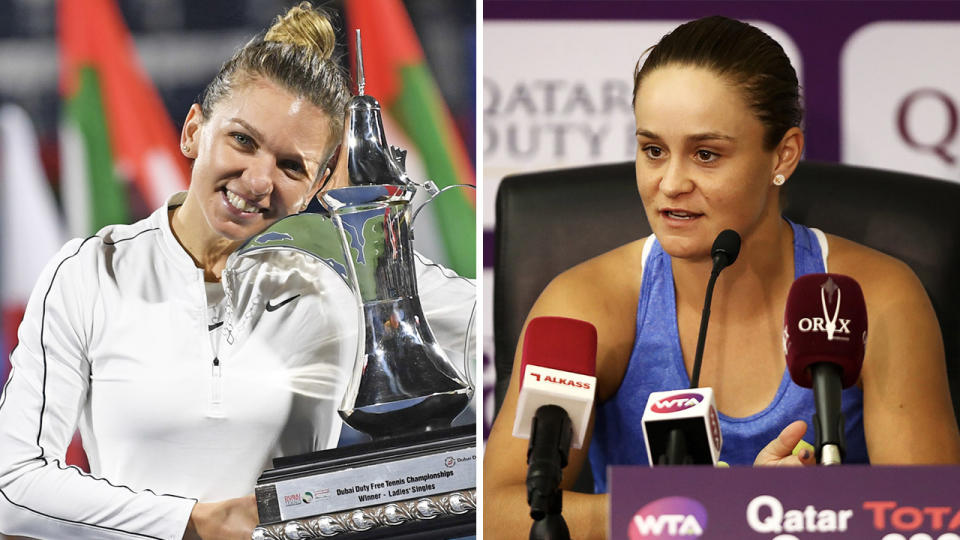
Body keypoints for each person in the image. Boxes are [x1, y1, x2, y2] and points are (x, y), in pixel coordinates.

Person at [0, 3, 475, 540]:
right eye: (242, 141)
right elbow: (11, 488)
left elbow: (506, 331)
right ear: (193, 132)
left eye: (292, 166)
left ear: (317, 190)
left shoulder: (334, 284)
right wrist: (197, 523)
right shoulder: (90, 272)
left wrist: (371, 229)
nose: (257, 180)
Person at [483, 15, 960, 540]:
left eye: (706, 155)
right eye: (653, 150)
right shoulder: (586, 304)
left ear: (784, 154)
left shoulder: (875, 297)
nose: (670, 183)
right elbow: (501, 512)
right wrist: (716, 512)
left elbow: (928, 518)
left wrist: (778, 517)